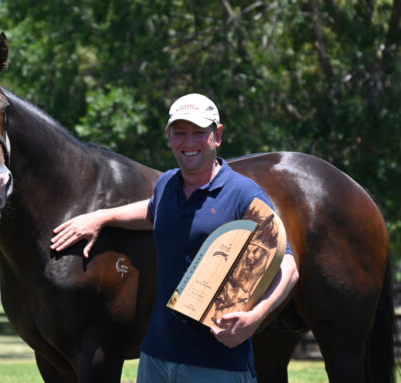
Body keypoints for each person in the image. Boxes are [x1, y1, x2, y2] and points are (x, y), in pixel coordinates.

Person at [50, 93, 299, 383]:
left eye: (198, 133)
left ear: (217, 136)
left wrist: (255, 319)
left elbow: (288, 268)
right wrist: (102, 217)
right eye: (180, 133)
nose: (188, 143)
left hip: (217, 364)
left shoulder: (243, 194)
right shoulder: (167, 184)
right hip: (156, 359)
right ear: (169, 136)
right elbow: (153, 211)